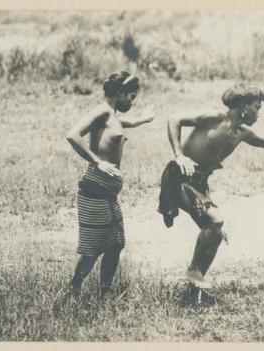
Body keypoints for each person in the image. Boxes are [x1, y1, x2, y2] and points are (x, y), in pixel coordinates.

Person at [158, 83, 264, 304]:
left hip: (199, 184)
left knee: (215, 233)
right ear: (244, 106)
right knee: (215, 222)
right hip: (179, 176)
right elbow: (174, 119)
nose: (259, 113)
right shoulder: (215, 118)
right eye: (257, 107)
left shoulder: (241, 133)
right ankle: (192, 270)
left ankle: (193, 286)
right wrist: (179, 155)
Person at [66, 71, 154, 297]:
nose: (132, 102)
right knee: (92, 250)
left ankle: (105, 292)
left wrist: (143, 119)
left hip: (107, 193)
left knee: (116, 243)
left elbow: (124, 122)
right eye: (131, 97)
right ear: (120, 93)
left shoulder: (112, 115)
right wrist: (97, 161)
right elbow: (73, 135)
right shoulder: (102, 111)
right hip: (94, 188)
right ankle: (72, 290)